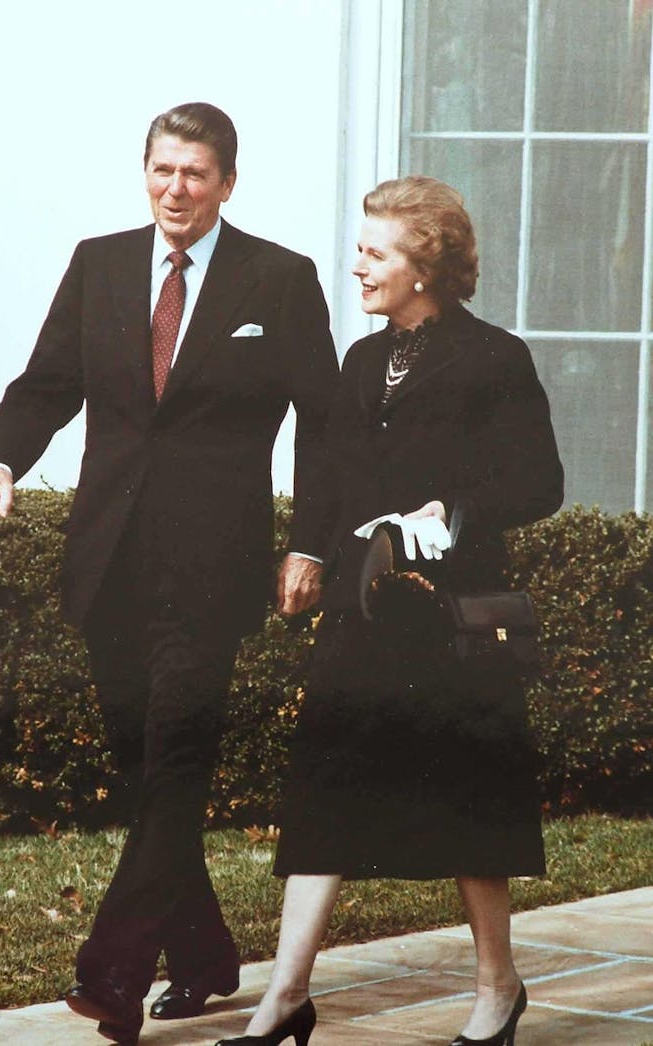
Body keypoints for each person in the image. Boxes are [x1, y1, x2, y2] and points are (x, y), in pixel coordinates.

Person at [0, 102, 338, 1045]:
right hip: (109, 567)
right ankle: (209, 957)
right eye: (163, 170)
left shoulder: (280, 279)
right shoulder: (99, 263)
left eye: (197, 174)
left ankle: (114, 974)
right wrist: (2, 459)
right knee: (152, 778)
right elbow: (47, 383)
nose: (177, 190)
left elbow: (327, 427)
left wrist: (311, 544)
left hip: (213, 574)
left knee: (175, 764)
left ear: (228, 182)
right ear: (145, 171)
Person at [214, 176, 564, 1046]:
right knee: (322, 795)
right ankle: (285, 996)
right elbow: (331, 477)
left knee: (470, 807)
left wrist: (450, 509)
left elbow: (539, 483)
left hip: (451, 622)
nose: (358, 264)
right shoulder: (362, 361)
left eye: (376, 252)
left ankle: (498, 987)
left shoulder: (496, 358)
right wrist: (308, 551)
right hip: (363, 612)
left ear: (426, 265)